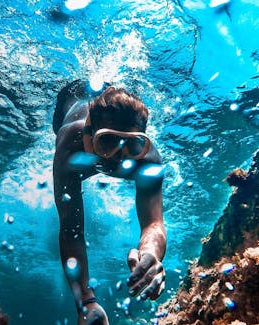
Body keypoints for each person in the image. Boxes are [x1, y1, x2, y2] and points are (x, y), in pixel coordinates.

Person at [52, 80, 167, 324]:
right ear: (87, 132)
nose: (119, 160)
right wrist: (85, 301)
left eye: (132, 144)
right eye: (107, 142)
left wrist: (151, 253)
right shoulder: (69, 144)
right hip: (70, 97)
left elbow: (154, 223)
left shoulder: (148, 159)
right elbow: (71, 230)